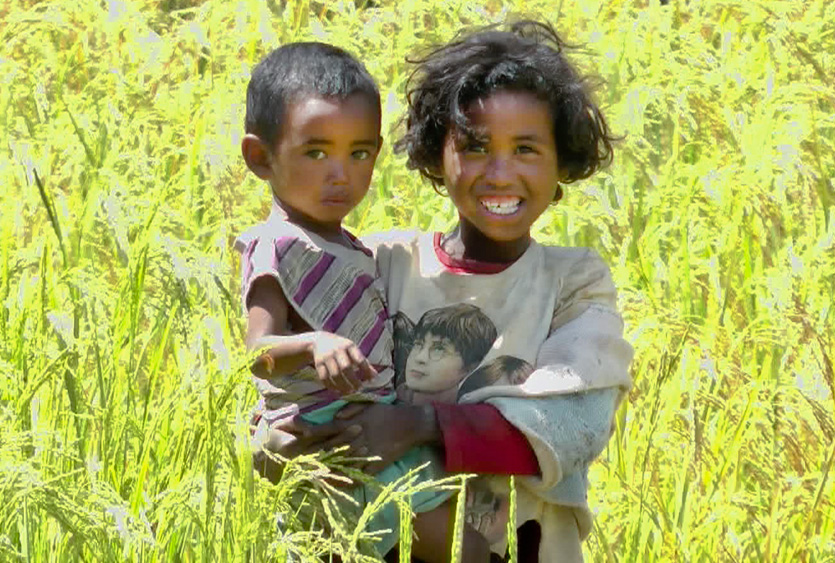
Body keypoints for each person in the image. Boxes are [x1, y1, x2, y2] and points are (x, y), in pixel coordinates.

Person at [259, 21, 635, 562]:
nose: (501, 173)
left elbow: (573, 424)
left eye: (527, 148)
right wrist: (280, 440)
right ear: (439, 157)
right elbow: (291, 396)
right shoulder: (377, 264)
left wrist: (418, 424)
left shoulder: (573, 283)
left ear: (561, 165)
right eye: (476, 147)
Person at [234, 42, 491, 561]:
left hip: (373, 434)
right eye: (316, 152)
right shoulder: (276, 245)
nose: (341, 174)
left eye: (360, 153)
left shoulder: (351, 247)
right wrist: (313, 343)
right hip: (326, 441)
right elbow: (256, 352)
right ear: (261, 158)